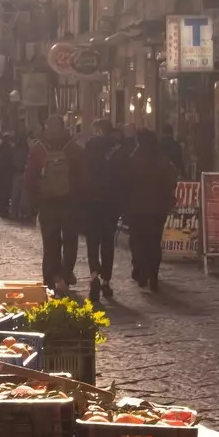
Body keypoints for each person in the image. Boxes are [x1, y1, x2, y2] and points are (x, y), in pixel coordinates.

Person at [24, 116, 87, 294]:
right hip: (70, 202)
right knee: (70, 241)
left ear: (46, 128)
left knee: (50, 242)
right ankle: (66, 276)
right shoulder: (74, 148)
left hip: (47, 203)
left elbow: (29, 178)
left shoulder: (38, 149)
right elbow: (83, 178)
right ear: (64, 127)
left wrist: (35, 200)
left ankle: (51, 277)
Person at [124, 129, 180, 290]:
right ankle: (153, 275)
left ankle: (141, 268)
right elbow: (171, 181)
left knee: (137, 239)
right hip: (157, 208)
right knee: (154, 241)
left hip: (136, 207)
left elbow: (125, 183)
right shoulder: (162, 161)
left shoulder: (133, 160)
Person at [83, 118, 127, 302]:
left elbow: (82, 172)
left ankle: (94, 275)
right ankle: (106, 280)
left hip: (92, 200)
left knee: (92, 241)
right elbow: (125, 176)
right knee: (108, 241)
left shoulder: (90, 146)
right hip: (111, 201)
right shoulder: (118, 149)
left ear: (99, 130)